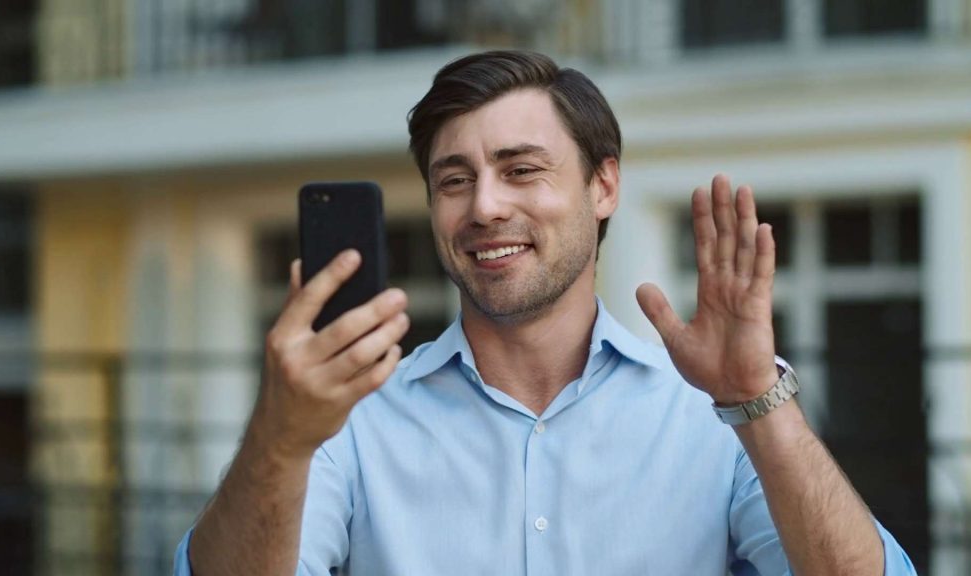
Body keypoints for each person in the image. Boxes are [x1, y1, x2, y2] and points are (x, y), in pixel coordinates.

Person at [175, 50, 916, 575]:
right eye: (454, 180)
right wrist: (279, 439)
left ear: (604, 187)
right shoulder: (351, 420)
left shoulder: (713, 415)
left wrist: (757, 401)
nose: (486, 206)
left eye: (521, 170)